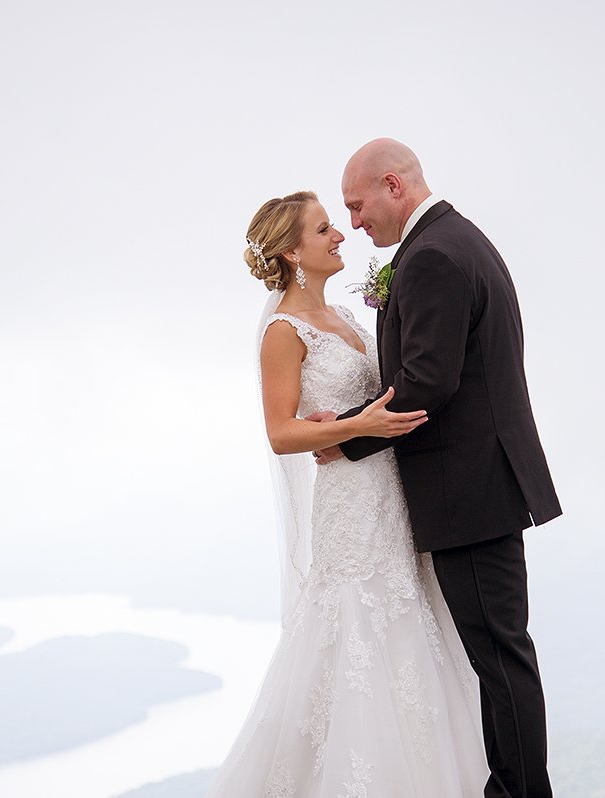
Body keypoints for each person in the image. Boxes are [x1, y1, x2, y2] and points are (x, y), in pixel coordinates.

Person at [206, 190, 488, 796]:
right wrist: (357, 427)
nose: (340, 236)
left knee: (410, 626)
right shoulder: (283, 330)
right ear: (291, 251)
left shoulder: (351, 319)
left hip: (393, 497)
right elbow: (282, 432)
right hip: (348, 505)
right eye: (325, 229)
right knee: (354, 627)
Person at [313, 138, 563, 798]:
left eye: (357, 205)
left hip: (470, 492)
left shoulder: (434, 258)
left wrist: (344, 437)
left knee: (501, 659)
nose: (356, 222)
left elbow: (426, 380)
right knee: (499, 655)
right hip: (481, 487)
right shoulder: (455, 242)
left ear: (393, 186)